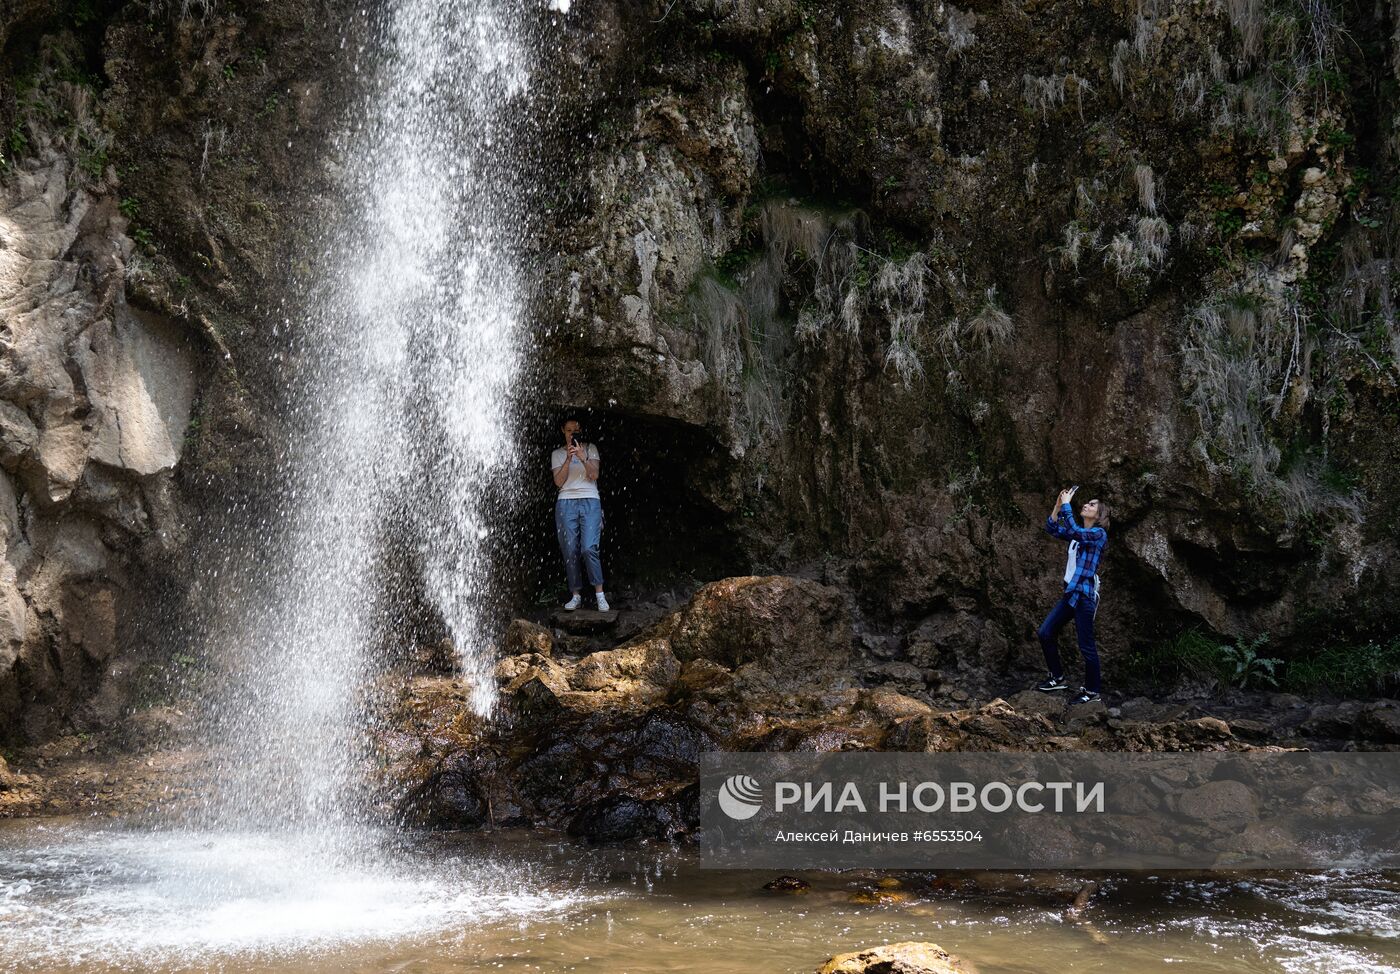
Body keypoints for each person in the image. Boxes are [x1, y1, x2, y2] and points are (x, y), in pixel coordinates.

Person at [1034, 486, 1110, 704]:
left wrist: (1068, 504)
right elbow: (1052, 528)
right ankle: (1057, 677)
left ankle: (1092, 691)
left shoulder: (1098, 534)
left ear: (1100, 514)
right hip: (1071, 595)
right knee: (1045, 632)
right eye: (1087, 503)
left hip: (1084, 598)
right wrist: (1058, 506)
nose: (1086, 505)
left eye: (1092, 504)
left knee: (1086, 645)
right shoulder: (1079, 537)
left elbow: (1076, 531)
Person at [551, 417, 609, 612]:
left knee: (589, 547)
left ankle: (599, 594)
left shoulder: (590, 449)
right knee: (570, 550)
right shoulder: (557, 454)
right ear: (563, 431)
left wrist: (582, 457)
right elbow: (559, 482)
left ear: (580, 431)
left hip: (590, 500)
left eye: (575, 430)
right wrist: (569, 458)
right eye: (568, 431)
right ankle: (576, 594)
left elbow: (594, 475)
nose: (571, 434)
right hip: (566, 502)